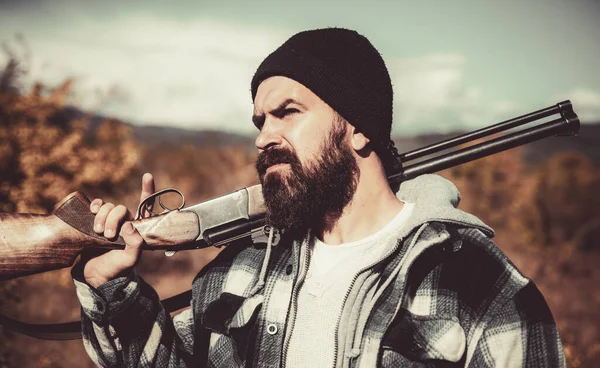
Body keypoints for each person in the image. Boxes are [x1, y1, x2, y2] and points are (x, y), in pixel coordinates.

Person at [72, 28, 565, 367]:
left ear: (358, 129)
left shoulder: (479, 282)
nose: (265, 136)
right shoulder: (238, 270)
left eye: (288, 112)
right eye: (260, 121)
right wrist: (109, 285)